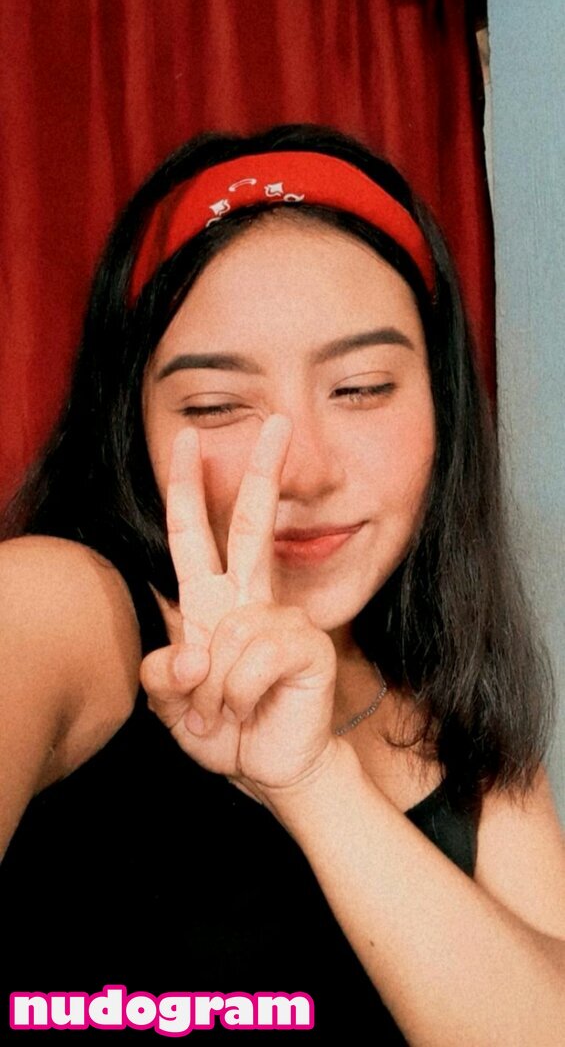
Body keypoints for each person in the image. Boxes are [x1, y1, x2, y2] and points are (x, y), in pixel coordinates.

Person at [0, 123, 563, 1043]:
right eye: (217, 405)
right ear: (132, 427)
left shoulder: (463, 720)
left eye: (362, 388)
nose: (301, 471)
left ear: (442, 406)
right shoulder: (55, 608)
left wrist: (311, 781)